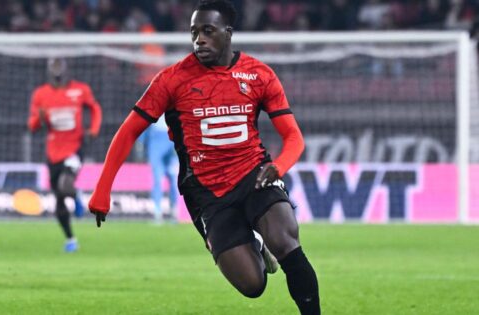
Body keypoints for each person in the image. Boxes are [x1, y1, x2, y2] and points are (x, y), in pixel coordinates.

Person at [88, 1, 320, 313]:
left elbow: (294, 137)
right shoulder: (171, 80)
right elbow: (128, 132)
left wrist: (278, 167)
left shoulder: (259, 75)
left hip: (255, 176)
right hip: (206, 193)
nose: (199, 39)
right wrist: (102, 191)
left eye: (208, 31)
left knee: (287, 243)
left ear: (229, 33)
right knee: (253, 286)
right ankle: (257, 247)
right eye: (194, 32)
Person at [28, 57, 102, 253]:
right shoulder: (41, 94)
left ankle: (75, 194)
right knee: (59, 199)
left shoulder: (80, 90)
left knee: (65, 184)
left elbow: (95, 108)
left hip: (75, 147)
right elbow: (33, 126)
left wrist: (93, 129)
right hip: (53, 152)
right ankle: (71, 239)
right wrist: (40, 118)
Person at [139, 114, 179, 224]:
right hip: (158, 141)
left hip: (170, 141)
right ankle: (158, 212)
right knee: (158, 179)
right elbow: (143, 124)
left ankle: (173, 211)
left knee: (172, 178)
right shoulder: (154, 106)